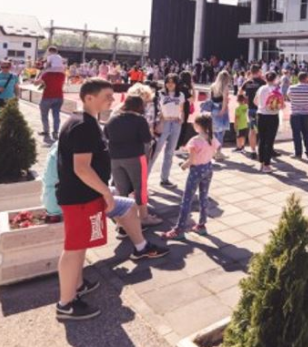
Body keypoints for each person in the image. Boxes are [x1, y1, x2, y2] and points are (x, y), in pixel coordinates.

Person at [55, 78, 169, 321]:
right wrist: (107, 193)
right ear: (89, 98)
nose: (112, 100)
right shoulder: (83, 125)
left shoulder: (85, 121)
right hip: (80, 197)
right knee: (74, 248)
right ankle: (66, 303)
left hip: (84, 195)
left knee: (80, 244)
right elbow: (81, 168)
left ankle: (77, 285)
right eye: (106, 96)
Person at [105, 95, 161, 227]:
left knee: (121, 188)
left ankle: (123, 219)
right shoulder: (139, 120)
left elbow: (106, 135)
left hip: (115, 158)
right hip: (135, 156)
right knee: (140, 187)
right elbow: (146, 139)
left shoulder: (113, 119)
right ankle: (144, 217)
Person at [162, 114, 219, 240]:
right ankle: (201, 225)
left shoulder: (194, 141)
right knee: (204, 197)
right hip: (208, 168)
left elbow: (192, 160)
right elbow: (214, 153)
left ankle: (179, 229)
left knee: (187, 199)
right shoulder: (212, 137)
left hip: (196, 171)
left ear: (198, 125)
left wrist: (183, 165)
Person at [152, 74, 185, 188]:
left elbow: (181, 109)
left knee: (170, 152)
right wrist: (158, 121)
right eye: (168, 82)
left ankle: (164, 179)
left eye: (172, 82)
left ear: (176, 83)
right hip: (164, 123)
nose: (170, 84)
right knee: (155, 151)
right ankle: (144, 180)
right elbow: (156, 109)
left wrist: (181, 118)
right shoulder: (160, 94)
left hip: (175, 124)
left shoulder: (180, 95)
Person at [253, 71, 283, 173]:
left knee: (262, 139)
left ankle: (261, 163)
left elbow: (255, 101)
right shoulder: (277, 89)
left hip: (261, 115)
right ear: (275, 79)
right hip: (272, 116)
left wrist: (262, 106)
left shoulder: (261, 88)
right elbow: (281, 105)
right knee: (269, 141)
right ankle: (267, 164)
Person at [239, 65, 266, 158]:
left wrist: (246, 99)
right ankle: (262, 150)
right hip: (261, 109)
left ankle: (253, 151)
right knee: (262, 130)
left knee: (252, 130)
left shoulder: (247, 82)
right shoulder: (262, 82)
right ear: (258, 71)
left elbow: (240, 92)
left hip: (251, 108)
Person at [37, 62, 67, 145]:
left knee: (44, 115)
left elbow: (37, 83)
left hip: (47, 96)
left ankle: (46, 131)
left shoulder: (46, 74)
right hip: (59, 96)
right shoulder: (62, 75)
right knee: (56, 115)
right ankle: (56, 132)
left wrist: (42, 72)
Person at [288, 72, 308, 159]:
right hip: (306, 113)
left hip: (295, 113)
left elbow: (289, 97)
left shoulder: (292, 88)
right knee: (306, 133)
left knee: (296, 134)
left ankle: (298, 153)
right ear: (306, 78)